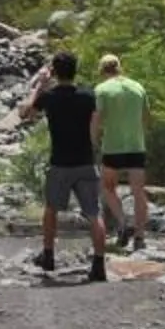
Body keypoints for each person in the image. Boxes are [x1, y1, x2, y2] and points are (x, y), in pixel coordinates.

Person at [22, 50, 107, 281]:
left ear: (55, 72)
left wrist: (39, 84)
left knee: (51, 209)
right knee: (93, 213)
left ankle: (48, 255)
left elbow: (25, 113)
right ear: (75, 69)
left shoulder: (49, 97)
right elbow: (95, 130)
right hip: (85, 161)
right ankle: (99, 265)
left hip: (59, 162)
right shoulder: (88, 96)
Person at [95, 53, 151, 251]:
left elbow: (97, 119)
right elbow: (146, 118)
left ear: (102, 70)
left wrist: (93, 141)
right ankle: (140, 237)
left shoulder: (101, 90)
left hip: (112, 147)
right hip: (136, 146)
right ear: (120, 67)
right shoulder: (138, 87)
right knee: (139, 192)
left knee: (108, 187)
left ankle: (122, 223)